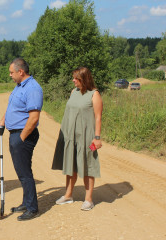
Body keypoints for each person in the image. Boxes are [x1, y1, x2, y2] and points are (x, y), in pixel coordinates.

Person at [52, 66, 103, 211]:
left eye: (76, 78)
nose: (73, 80)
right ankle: (68, 195)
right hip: (70, 135)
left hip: (87, 137)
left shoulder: (94, 94)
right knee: (70, 165)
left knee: (88, 166)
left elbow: (98, 117)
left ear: (84, 79)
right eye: (73, 78)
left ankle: (88, 200)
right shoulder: (73, 92)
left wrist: (97, 138)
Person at [0, 58, 43, 221]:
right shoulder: (19, 87)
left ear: (20, 72)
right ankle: (26, 202)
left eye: (11, 72)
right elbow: (13, 107)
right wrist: (3, 120)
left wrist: (21, 138)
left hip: (24, 134)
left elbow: (34, 118)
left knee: (24, 173)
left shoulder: (32, 88)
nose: (10, 75)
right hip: (16, 133)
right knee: (22, 170)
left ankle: (32, 208)